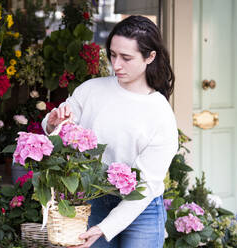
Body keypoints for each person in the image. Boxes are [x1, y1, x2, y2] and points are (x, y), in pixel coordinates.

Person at [41, 15, 178, 248]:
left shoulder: (160, 114)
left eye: (126, 57)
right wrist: (53, 123)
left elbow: (145, 186)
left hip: (141, 208)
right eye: (113, 55)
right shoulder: (92, 90)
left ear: (150, 57)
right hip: (93, 201)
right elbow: (55, 126)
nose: (116, 65)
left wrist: (105, 228)